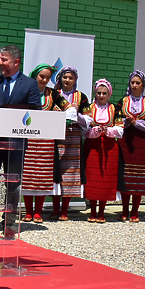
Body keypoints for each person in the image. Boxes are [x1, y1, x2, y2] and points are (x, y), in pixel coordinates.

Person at [0, 45, 41, 234]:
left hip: (16, 143)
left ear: (16, 62)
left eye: (4, 59)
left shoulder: (29, 84)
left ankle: (10, 223)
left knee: (13, 183)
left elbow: (35, 112)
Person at [20, 64, 64, 223]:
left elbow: (70, 108)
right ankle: (28, 211)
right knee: (28, 174)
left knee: (42, 174)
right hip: (28, 138)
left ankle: (38, 211)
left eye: (47, 77)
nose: (45, 80)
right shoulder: (25, 91)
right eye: (42, 76)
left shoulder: (52, 94)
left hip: (46, 141)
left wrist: (60, 115)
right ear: (35, 75)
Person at [117, 70, 145, 222]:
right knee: (125, 176)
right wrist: (126, 122)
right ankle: (124, 210)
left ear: (143, 85)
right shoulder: (123, 102)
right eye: (132, 82)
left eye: (137, 83)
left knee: (138, 177)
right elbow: (115, 121)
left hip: (141, 143)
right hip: (125, 141)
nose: (134, 85)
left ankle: (135, 211)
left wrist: (137, 123)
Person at [81, 79, 123, 223]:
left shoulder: (115, 109)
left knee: (106, 179)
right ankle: (92, 211)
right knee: (93, 179)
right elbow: (84, 130)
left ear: (109, 94)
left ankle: (101, 212)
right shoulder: (89, 108)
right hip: (92, 146)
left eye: (104, 93)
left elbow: (120, 129)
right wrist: (95, 131)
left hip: (110, 147)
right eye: (99, 92)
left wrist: (109, 130)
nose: (101, 95)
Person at [51, 66, 89, 221]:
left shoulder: (81, 97)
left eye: (70, 78)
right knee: (56, 172)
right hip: (55, 136)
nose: (67, 80)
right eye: (65, 77)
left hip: (73, 136)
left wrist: (76, 114)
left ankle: (65, 210)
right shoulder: (54, 94)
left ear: (75, 80)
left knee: (70, 173)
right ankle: (54, 209)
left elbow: (88, 120)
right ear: (60, 78)